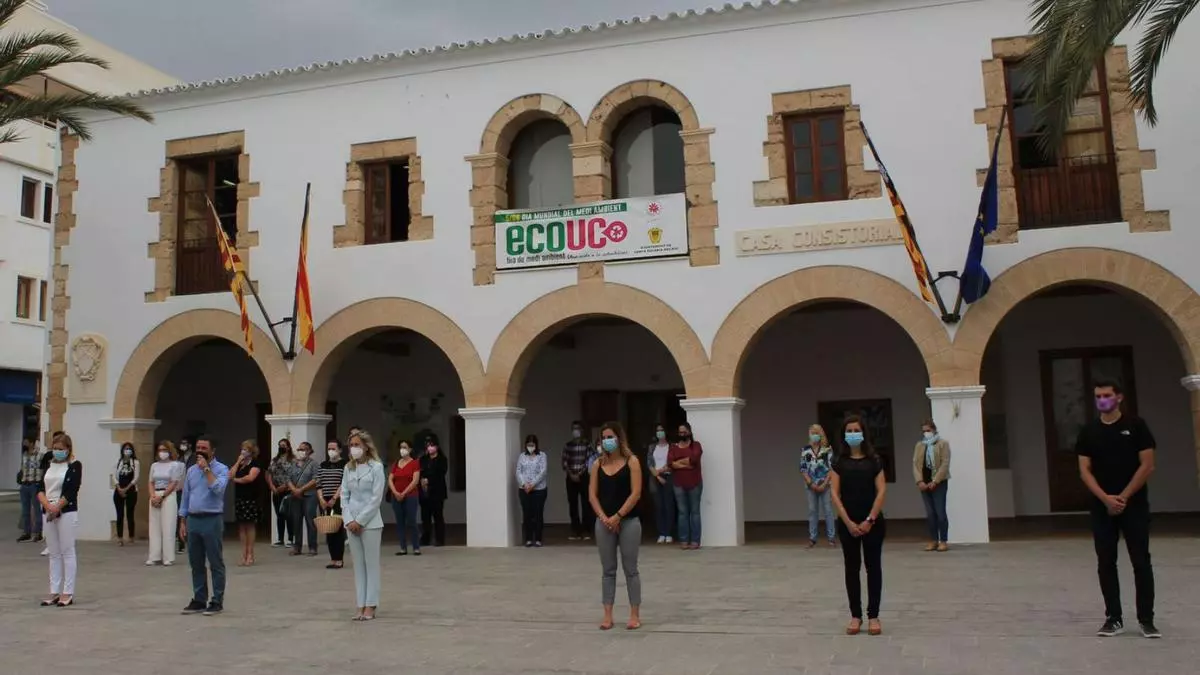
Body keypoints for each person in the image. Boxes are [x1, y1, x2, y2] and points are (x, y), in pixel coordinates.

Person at [1077, 379, 1160, 639]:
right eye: (1098, 396)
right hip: (1101, 508)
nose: (1102, 400)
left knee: (1141, 561)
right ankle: (1113, 618)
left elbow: (1147, 465)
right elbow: (1084, 470)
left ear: (1119, 397)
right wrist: (1105, 499)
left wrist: (1122, 498)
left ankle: (1146, 620)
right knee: (1105, 561)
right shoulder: (1088, 431)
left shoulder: (1137, 426)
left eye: (1107, 395)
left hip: (1134, 506)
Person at [830, 415, 887, 636]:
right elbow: (834, 494)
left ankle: (873, 616)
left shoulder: (875, 460)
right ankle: (855, 616)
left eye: (857, 430)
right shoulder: (838, 461)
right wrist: (848, 522)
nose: (853, 434)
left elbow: (881, 490)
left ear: (864, 433)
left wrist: (870, 520)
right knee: (852, 569)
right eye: (849, 431)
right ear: (844, 434)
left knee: (873, 568)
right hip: (848, 524)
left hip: (872, 523)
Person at [589, 422, 643, 630]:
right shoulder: (597, 464)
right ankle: (607, 615)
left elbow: (635, 493)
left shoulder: (632, 462)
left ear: (619, 438)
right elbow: (592, 495)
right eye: (603, 438)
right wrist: (605, 518)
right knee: (608, 570)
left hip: (628, 521)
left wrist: (618, 516)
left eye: (610, 437)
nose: (607, 441)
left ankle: (634, 614)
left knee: (631, 569)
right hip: (604, 523)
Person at [179, 436, 230, 616]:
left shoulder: (222, 469)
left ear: (212, 451)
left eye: (204, 448)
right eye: (198, 447)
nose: (200, 451)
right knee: (196, 562)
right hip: (193, 519)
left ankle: (216, 600)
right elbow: (186, 496)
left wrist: (207, 470)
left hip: (211, 518)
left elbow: (218, 489)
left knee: (215, 561)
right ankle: (199, 599)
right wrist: (182, 520)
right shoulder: (191, 471)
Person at [342, 429, 385, 621]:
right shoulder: (348, 468)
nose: (354, 448)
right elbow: (344, 495)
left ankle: (371, 604)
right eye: (351, 445)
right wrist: (349, 519)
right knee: (358, 565)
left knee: (371, 564)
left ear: (366, 446)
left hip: (370, 522)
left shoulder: (376, 467)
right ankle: (360, 603)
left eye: (357, 445)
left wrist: (360, 520)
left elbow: (376, 498)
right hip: (351, 521)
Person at [38, 433, 82, 607]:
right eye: (55, 448)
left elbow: (72, 490)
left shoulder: (74, 465)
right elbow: (40, 487)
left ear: (68, 449)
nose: (57, 452)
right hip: (48, 509)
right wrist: (47, 506)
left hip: (66, 511)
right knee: (54, 553)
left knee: (67, 551)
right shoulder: (48, 465)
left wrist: (57, 507)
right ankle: (54, 590)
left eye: (60, 449)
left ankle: (67, 592)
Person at [913, 420, 951, 552]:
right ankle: (933, 540)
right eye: (924, 431)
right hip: (924, 484)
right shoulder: (919, 445)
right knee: (930, 513)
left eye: (928, 430)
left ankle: (943, 541)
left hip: (939, 483)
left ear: (934, 430)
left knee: (940, 512)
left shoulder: (943, 444)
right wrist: (919, 481)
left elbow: (945, 463)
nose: (926, 433)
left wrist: (935, 481)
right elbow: (915, 464)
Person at [146, 441, 184, 566]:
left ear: (170, 451)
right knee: (154, 527)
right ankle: (154, 556)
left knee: (168, 526)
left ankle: (168, 557)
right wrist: (153, 496)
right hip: (155, 494)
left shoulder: (175, 465)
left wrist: (162, 496)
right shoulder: (154, 465)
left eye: (164, 450)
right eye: (160, 450)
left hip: (168, 495)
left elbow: (174, 482)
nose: (162, 452)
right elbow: (151, 482)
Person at [668, 421, 703, 550]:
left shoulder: (696, 445)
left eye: (684, 432)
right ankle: (684, 540)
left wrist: (678, 463)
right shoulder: (673, 447)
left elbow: (694, 459)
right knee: (682, 513)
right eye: (680, 432)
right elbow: (670, 463)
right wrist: (686, 463)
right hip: (678, 484)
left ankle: (695, 540)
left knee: (695, 512)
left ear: (689, 432)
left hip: (695, 483)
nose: (682, 434)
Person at [801, 424, 836, 548]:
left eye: (816, 433)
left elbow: (831, 469)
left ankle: (831, 538)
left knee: (828, 511)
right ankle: (812, 539)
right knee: (812, 511)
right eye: (812, 433)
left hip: (825, 485)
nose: (814, 435)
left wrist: (824, 484)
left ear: (821, 434)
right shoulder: (805, 450)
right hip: (811, 486)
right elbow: (803, 469)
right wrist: (811, 484)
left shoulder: (827, 450)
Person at [230, 441, 262, 566]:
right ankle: (243, 554)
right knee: (241, 526)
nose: (243, 451)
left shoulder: (255, 463)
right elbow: (230, 474)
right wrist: (238, 461)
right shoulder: (240, 463)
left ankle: (250, 554)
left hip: (251, 498)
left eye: (246, 449)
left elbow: (250, 478)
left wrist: (236, 480)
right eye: (242, 449)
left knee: (249, 525)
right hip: (240, 498)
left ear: (252, 451)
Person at [318, 441, 348, 569]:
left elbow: (344, 482)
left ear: (340, 450)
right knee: (329, 529)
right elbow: (319, 483)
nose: (330, 451)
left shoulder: (344, 464)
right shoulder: (323, 465)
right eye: (329, 448)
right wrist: (321, 499)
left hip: (338, 500)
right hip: (324, 501)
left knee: (338, 529)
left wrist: (335, 498)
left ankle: (339, 559)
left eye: (333, 448)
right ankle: (332, 558)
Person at [389, 440, 422, 555]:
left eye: (405, 447)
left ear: (410, 449)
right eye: (401, 447)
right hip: (396, 497)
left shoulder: (415, 463)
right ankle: (403, 548)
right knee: (400, 522)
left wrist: (403, 493)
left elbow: (415, 481)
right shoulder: (396, 463)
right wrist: (395, 492)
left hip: (410, 496)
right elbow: (390, 479)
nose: (402, 450)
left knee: (411, 521)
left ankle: (416, 547)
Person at [563, 421, 594, 541]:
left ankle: (586, 530)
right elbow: (565, 461)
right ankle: (575, 530)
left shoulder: (587, 445)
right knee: (573, 504)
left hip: (584, 477)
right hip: (570, 478)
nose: (575, 431)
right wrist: (571, 474)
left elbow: (589, 461)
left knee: (586, 503)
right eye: (573, 428)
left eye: (577, 428)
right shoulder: (568, 445)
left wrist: (580, 473)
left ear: (581, 430)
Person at [516, 434, 548, 547]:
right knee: (527, 514)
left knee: (538, 514)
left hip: (539, 490)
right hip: (524, 490)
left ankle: (538, 539)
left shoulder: (542, 455)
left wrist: (533, 484)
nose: (530, 447)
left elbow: (543, 472)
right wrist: (524, 484)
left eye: (532, 444)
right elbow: (518, 471)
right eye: (528, 445)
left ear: (536, 445)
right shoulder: (522, 456)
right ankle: (528, 539)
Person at [289, 441, 320, 556]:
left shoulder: (313, 464)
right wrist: (294, 489)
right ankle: (297, 547)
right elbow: (287, 478)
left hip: (309, 496)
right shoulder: (293, 463)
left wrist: (301, 490)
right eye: (299, 449)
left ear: (309, 451)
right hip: (295, 496)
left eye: (303, 449)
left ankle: (312, 547)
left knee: (310, 520)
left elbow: (315, 479)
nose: (300, 451)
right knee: (296, 521)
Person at [645, 424, 675, 544]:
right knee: (659, 506)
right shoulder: (652, 447)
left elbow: (672, 462)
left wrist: (662, 471)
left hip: (668, 477)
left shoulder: (672, 446)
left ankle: (669, 533)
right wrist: (657, 476)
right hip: (655, 478)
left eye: (661, 430)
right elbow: (649, 463)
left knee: (668, 506)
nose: (660, 432)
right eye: (658, 431)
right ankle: (661, 533)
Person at [419, 439, 448, 547]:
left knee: (438, 516)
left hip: (437, 492)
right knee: (425, 517)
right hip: (424, 491)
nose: (430, 448)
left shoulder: (442, 460)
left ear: (437, 447)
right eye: (428, 446)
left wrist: (429, 480)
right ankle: (425, 538)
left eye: (432, 445)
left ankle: (440, 539)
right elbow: (420, 471)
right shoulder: (423, 459)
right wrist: (422, 480)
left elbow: (441, 473)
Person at [266, 439, 295, 547]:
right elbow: (269, 473)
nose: (281, 447)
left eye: (283, 445)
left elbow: (293, 475)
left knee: (288, 514)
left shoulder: (293, 460)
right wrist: (272, 486)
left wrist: (285, 486)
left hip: (287, 490)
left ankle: (291, 539)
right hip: (276, 490)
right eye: (280, 445)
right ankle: (280, 539)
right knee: (279, 515)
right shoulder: (274, 460)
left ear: (288, 447)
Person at [111, 442, 140, 546]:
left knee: (130, 514)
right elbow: (113, 476)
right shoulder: (118, 462)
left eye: (129, 449)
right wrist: (119, 488)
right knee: (120, 515)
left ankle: (131, 537)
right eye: (126, 449)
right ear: (122, 450)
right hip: (119, 490)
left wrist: (126, 489)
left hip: (131, 490)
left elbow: (136, 477)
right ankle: (120, 538)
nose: (127, 451)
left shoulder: (135, 462)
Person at [17, 437, 44, 543]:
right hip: (24, 485)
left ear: (32, 443)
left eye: (26, 442)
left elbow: (43, 469)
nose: (24, 443)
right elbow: (22, 469)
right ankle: (26, 532)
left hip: (34, 485)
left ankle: (38, 532)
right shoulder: (24, 455)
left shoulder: (40, 456)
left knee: (37, 509)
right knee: (25, 510)